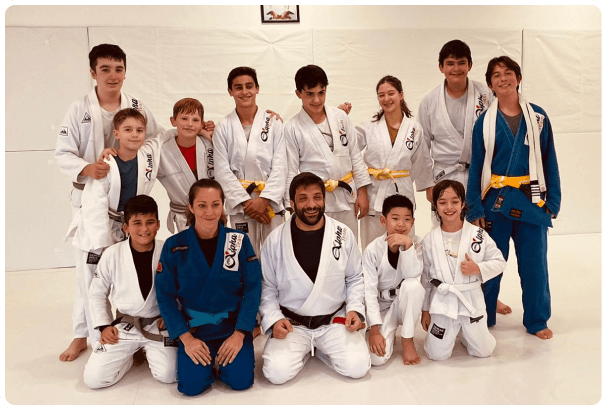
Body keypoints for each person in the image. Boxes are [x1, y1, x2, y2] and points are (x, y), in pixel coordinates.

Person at [55, 44, 164, 362]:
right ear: (93, 73)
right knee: (89, 275)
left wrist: (196, 128)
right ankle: (82, 335)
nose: (112, 76)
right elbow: (63, 152)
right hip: (92, 200)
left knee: (130, 269)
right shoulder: (79, 109)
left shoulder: (136, 105)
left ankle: (128, 328)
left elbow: (156, 137)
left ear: (125, 72)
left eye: (118, 69)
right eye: (105, 69)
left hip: (129, 207)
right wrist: (87, 167)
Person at [466, 56, 561, 340]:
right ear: (490, 84)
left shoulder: (538, 117)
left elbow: (549, 159)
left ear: (518, 78)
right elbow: (476, 166)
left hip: (532, 200)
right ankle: (484, 317)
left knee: (534, 266)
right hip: (495, 201)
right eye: (496, 75)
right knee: (489, 265)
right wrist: (474, 208)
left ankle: (537, 319)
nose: (503, 78)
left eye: (508, 73)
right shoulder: (484, 122)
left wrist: (553, 202)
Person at [418, 39, 511, 316]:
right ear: (441, 67)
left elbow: (500, 134)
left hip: (481, 176)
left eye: (461, 62)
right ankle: (447, 294)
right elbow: (422, 146)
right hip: (445, 178)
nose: (456, 68)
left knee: (483, 238)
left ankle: (489, 297)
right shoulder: (429, 101)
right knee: (449, 239)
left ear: (470, 65)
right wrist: (428, 184)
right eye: (450, 63)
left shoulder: (486, 94)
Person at [259, 172, 370, 384]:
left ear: (324, 199)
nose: (312, 205)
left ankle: (321, 351)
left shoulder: (342, 234)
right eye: (303, 199)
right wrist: (273, 319)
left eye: (317, 197)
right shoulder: (275, 240)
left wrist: (355, 308)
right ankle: (305, 350)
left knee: (358, 367)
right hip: (292, 324)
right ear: (292, 204)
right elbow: (268, 287)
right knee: (276, 373)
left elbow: (355, 278)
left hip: (334, 321)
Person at [155, 179, 262, 396]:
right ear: (191, 207)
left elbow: (253, 288)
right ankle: (208, 362)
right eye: (202, 205)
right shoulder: (174, 246)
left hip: (231, 326)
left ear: (223, 205)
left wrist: (240, 333)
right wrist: (186, 339)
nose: (209, 212)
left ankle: (227, 358)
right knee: (191, 386)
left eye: (215, 204)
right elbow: (165, 296)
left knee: (241, 380)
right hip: (195, 329)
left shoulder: (238, 241)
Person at [84, 195, 177, 389]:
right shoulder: (112, 254)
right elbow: (97, 293)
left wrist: (174, 315)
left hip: (159, 324)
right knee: (94, 379)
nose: (144, 229)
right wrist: (104, 326)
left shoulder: (168, 251)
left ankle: (144, 351)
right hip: (125, 326)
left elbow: (182, 288)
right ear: (126, 227)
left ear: (158, 224)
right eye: (137, 223)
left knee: (169, 375)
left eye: (150, 222)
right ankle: (128, 356)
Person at [420, 180, 506, 360]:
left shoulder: (478, 235)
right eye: (442, 202)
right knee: (436, 355)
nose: (449, 207)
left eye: (455, 201)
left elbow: (500, 262)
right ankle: (454, 332)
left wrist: (478, 268)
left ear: (463, 204)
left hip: (471, 300)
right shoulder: (429, 240)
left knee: (484, 351)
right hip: (443, 303)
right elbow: (426, 279)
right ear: (435, 206)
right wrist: (425, 310)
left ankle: (466, 332)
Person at [284, 65, 371, 239]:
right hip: (314, 202)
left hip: (347, 196)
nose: (317, 100)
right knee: (318, 247)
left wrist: (362, 192)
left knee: (347, 243)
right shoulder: (292, 128)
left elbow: (355, 156)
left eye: (321, 93)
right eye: (310, 94)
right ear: (298, 94)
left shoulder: (340, 117)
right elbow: (291, 170)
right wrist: (292, 204)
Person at [214, 66, 287, 257]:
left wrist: (264, 200)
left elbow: (281, 165)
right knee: (242, 256)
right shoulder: (223, 127)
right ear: (230, 91)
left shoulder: (273, 123)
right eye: (238, 87)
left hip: (270, 204)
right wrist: (247, 203)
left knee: (276, 254)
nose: (244, 91)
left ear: (257, 88)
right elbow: (221, 171)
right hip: (241, 205)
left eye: (249, 86)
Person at [356, 75, 434, 249]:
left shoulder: (414, 129)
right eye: (381, 95)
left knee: (403, 246)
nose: (386, 99)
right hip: (374, 195)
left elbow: (421, 162)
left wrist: (409, 181)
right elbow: (349, 149)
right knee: (372, 248)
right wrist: (340, 119)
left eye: (391, 93)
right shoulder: (369, 126)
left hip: (402, 193)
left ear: (401, 95)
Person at [363, 194, 425, 366]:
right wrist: (374, 329)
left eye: (407, 219)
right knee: (377, 359)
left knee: (412, 285)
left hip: (404, 304)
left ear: (412, 222)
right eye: (395, 218)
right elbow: (368, 290)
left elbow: (413, 274)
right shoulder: (372, 250)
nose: (401, 224)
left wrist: (407, 246)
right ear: (383, 221)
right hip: (382, 307)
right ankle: (385, 331)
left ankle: (407, 339)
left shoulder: (417, 244)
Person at [157, 98, 215, 234]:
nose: (189, 124)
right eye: (184, 118)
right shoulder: (162, 151)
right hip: (183, 216)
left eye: (195, 120)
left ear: (202, 124)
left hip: (212, 213)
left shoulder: (211, 144)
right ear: (173, 121)